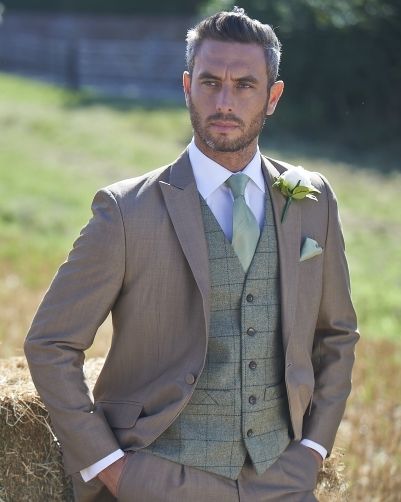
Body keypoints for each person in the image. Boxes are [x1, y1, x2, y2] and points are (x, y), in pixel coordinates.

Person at [24, 7, 359, 502]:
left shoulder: (311, 200)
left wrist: (313, 446)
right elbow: (50, 344)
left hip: (284, 479)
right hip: (160, 479)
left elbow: (337, 334)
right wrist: (112, 468)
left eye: (245, 84)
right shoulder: (125, 212)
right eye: (210, 82)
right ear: (186, 86)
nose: (225, 101)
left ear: (273, 97)